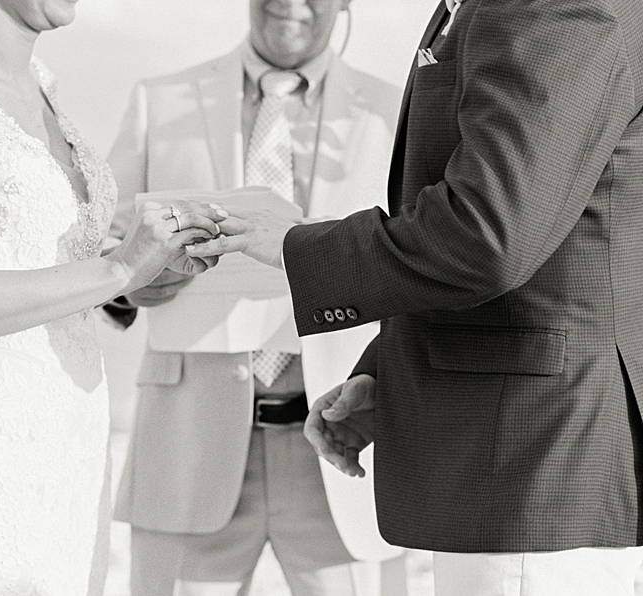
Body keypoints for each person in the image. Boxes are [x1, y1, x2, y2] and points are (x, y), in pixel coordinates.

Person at [187, 0, 643, 594]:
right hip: (509, 468)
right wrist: (396, 370)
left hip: (535, 473)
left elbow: (489, 231)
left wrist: (299, 247)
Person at [0, 0, 224, 593]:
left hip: (68, 465)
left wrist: (151, 270)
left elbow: (58, 277)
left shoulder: (43, 85)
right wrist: (118, 269)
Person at [103, 1, 418, 594]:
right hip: (186, 448)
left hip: (344, 446)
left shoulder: (394, 108)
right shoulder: (159, 97)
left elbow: (419, 261)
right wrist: (136, 281)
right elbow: (108, 252)